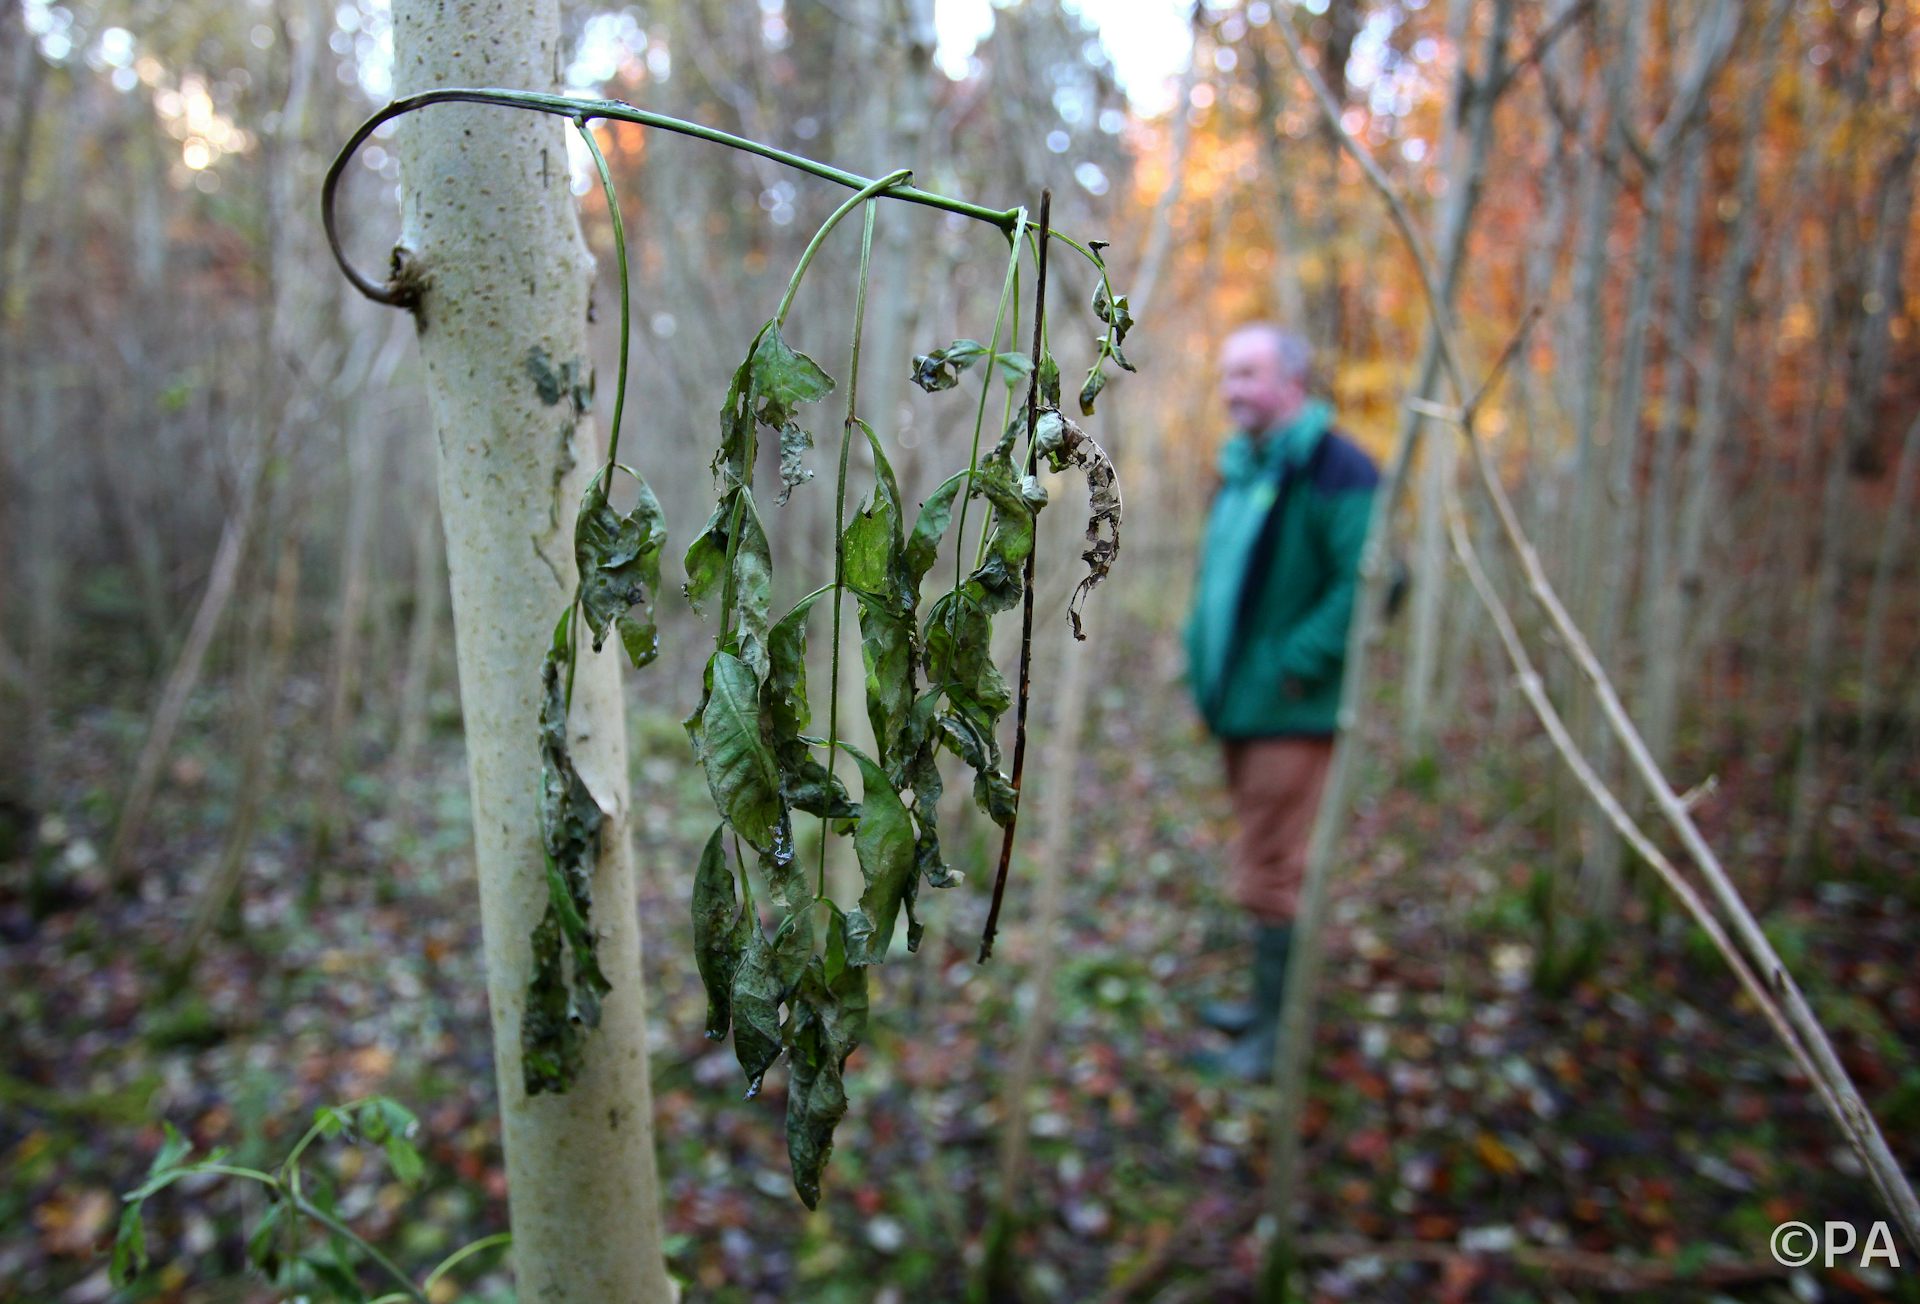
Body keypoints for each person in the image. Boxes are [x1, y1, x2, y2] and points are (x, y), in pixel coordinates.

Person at [1184, 323, 1379, 1080]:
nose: (1232, 390)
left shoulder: (1336, 467)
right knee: (1262, 857)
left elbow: (1370, 580)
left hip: (1289, 709)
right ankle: (1265, 1013)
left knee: (1272, 867)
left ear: (1292, 381)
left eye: (1248, 374)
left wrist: (1294, 665)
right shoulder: (1245, 467)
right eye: (1227, 375)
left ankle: (1276, 1037)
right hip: (1242, 704)